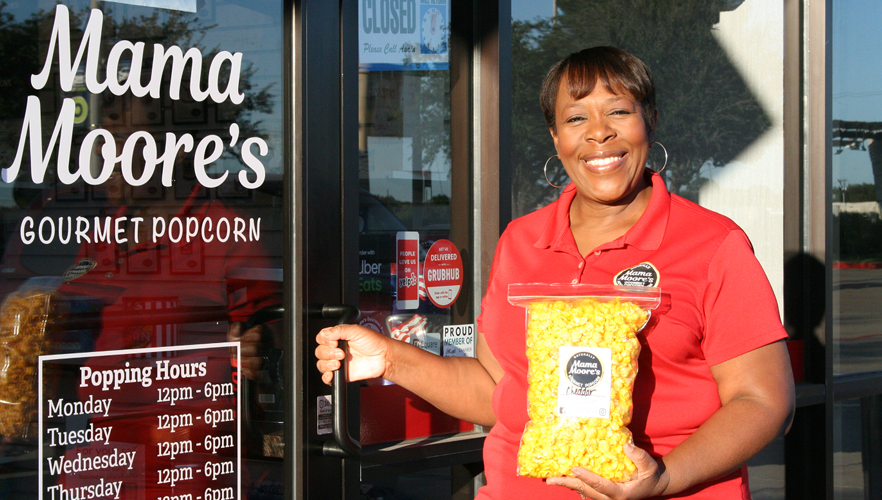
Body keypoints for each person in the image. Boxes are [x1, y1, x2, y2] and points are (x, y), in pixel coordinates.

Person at [315, 46, 795, 500]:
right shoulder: (521, 241)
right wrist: (391, 360)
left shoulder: (712, 244)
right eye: (576, 118)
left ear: (649, 119)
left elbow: (762, 401)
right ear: (556, 138)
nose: (598, 133)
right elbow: (494, 391)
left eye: (619, 112)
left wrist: (664, 479)